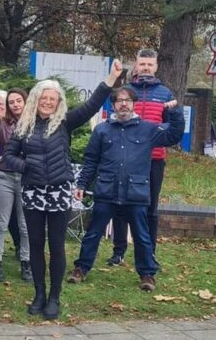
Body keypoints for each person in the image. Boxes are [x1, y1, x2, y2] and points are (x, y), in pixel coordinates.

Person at [3, 60, 122, 320]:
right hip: (33, 193)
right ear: (36, 99)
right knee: (35, 245)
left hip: (58, 192)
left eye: (52, 99)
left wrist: (111, 79)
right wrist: (27, 166)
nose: (48, 102)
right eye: (44, 97)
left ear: (58, 102)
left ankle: (54, 297)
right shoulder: (24, 126)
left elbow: (91, 106)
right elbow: (8, 157)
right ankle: (39, 294)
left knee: (56, 245)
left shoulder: (65, 122)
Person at [67, 87, 184, 291]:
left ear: (133, 104)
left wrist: (174, 112)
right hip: (107, 191)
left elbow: (173, 136)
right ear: (113, 105)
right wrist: (82, 184)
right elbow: (91, 160)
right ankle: (81, 268)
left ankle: (147, 274)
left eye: (127, 100)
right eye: (119, 101)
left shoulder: (148, 129)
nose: (123, 104)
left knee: (142, 236)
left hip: (135, 193)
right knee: (93, 233)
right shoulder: (102, 130)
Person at [109, 49, 175, 266]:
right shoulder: (125, 91)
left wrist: (153, 131)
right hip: (126, 157)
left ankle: (149, 252)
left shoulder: (165, 93)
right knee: (120, 204)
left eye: (150, 64)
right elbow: (114, 118)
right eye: (142, 64)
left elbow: (171, 126)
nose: (146, 68)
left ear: (156, 67)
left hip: (155, 158)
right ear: (136, 66)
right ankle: (118, 251)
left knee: (150, 207)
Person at [0, 86, 32, 282]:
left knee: (25, 224)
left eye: (18, 100)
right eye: (11, 102)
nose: (15, 104)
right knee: (1, 223)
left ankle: (26, 262)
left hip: (27, 177)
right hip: (4, 176)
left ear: (25, 101)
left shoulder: (36, 124)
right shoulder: (2, 123)